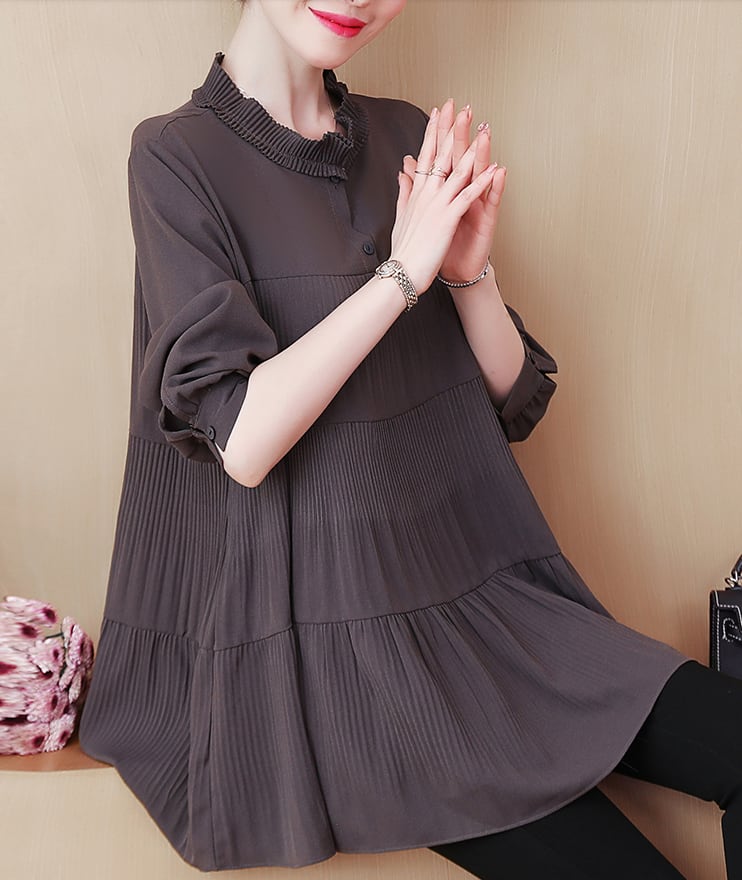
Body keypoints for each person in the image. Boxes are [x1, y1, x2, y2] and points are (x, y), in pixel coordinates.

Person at [78, 1, 742, 877]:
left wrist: (468, 277)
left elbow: (512, 401)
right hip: (350, 662)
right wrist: (401, 273)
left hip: (491, 608)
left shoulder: (404, 135)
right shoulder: (175, 156)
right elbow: (241, 439)